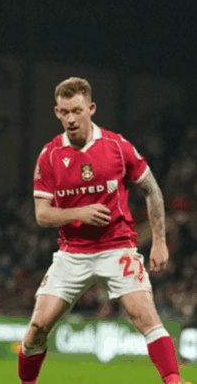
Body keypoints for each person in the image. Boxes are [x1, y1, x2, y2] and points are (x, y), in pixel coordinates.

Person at [19, 77, 190, 384]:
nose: (71, 118)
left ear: (91, 109)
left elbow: (152, 190)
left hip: (117, 248)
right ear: (57, 112)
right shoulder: (49, 156)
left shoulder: (117, 147)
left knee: (145, 317)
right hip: (72, 253)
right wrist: (79, 213)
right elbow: (42, 215)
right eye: (64, 112)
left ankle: (174, 382)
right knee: (36, 329)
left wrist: (159, 242)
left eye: (77, 110)